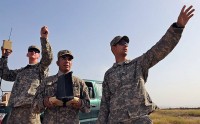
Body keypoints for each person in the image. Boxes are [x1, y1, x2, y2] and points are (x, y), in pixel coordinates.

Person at [96, 5, 195, 124]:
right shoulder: (109, 74)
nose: (125, 44)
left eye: (127, 42)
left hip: (139, 119)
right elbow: (105, 104)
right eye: (121, 42)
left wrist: (178, 27)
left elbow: (159, 50)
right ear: (113, 48)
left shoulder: (138, 64)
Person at [0, 26, 53, 124]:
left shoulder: (41, 68)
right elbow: (5, 74)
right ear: (27, 54)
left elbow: (48, 58)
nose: (33, 52)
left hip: (31, 110)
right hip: (15, 110)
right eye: (31, 50)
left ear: (38, 55)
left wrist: (44, 38)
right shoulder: (21, 71)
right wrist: (4, 56)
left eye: (36, 51)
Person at [33, 50, 90, 124]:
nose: (67, 61)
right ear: (57, 63)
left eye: (69, 59)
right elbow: (34, 106)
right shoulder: (46, 82)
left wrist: (80, 103)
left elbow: (88, 107)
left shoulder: (79, 83)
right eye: (63, 58)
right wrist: (44, 102)